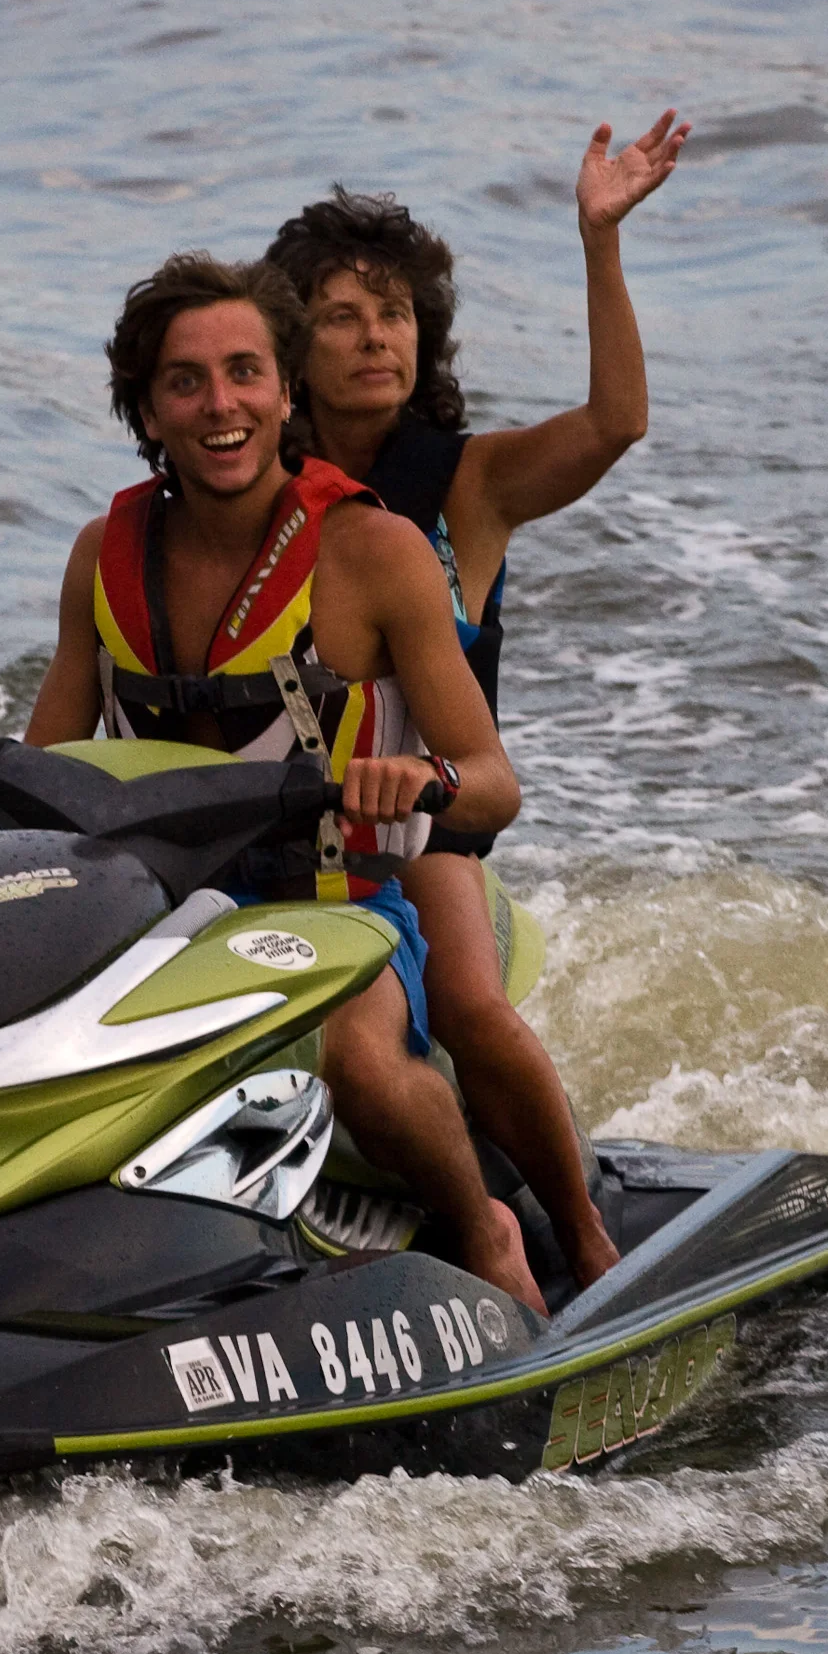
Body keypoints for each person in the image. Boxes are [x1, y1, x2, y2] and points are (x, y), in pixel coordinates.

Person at [0, 254, 553, 1313]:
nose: (220, 405)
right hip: (152, 920)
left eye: (246, 372)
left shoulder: (375, 551)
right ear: (147, 410)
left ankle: (492, 1233)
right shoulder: (100, 556)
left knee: (363, 1065)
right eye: (185, 381)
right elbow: (44, 780)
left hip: (333, 913)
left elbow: (494, 785)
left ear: (288, 394)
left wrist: (418, 778)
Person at [264, 112, 689, 1294]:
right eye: (341, 316)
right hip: (280, 819)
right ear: (290, 345)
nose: (375, 336)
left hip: (432, 818)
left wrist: (599, 242)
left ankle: (581, 1232)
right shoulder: (253, 491)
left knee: (461, 996)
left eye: (395, 312)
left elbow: (616, 423)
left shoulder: (470, 484)